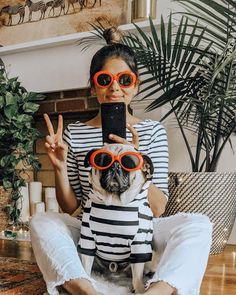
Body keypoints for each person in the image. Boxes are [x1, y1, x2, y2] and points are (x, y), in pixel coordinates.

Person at [30, 27, 212, 295]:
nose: (115, 88)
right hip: (92, 231)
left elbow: (159, 209)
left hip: (142, 233)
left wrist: (135, 160)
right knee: (42, 221)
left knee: (199, 225)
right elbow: (71, 209)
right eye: (105, 80)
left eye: (125, 80)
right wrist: (58, 167)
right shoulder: (76, 133)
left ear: (135, 85)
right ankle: (87, 290)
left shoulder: (152, 131)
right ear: (93, 86)